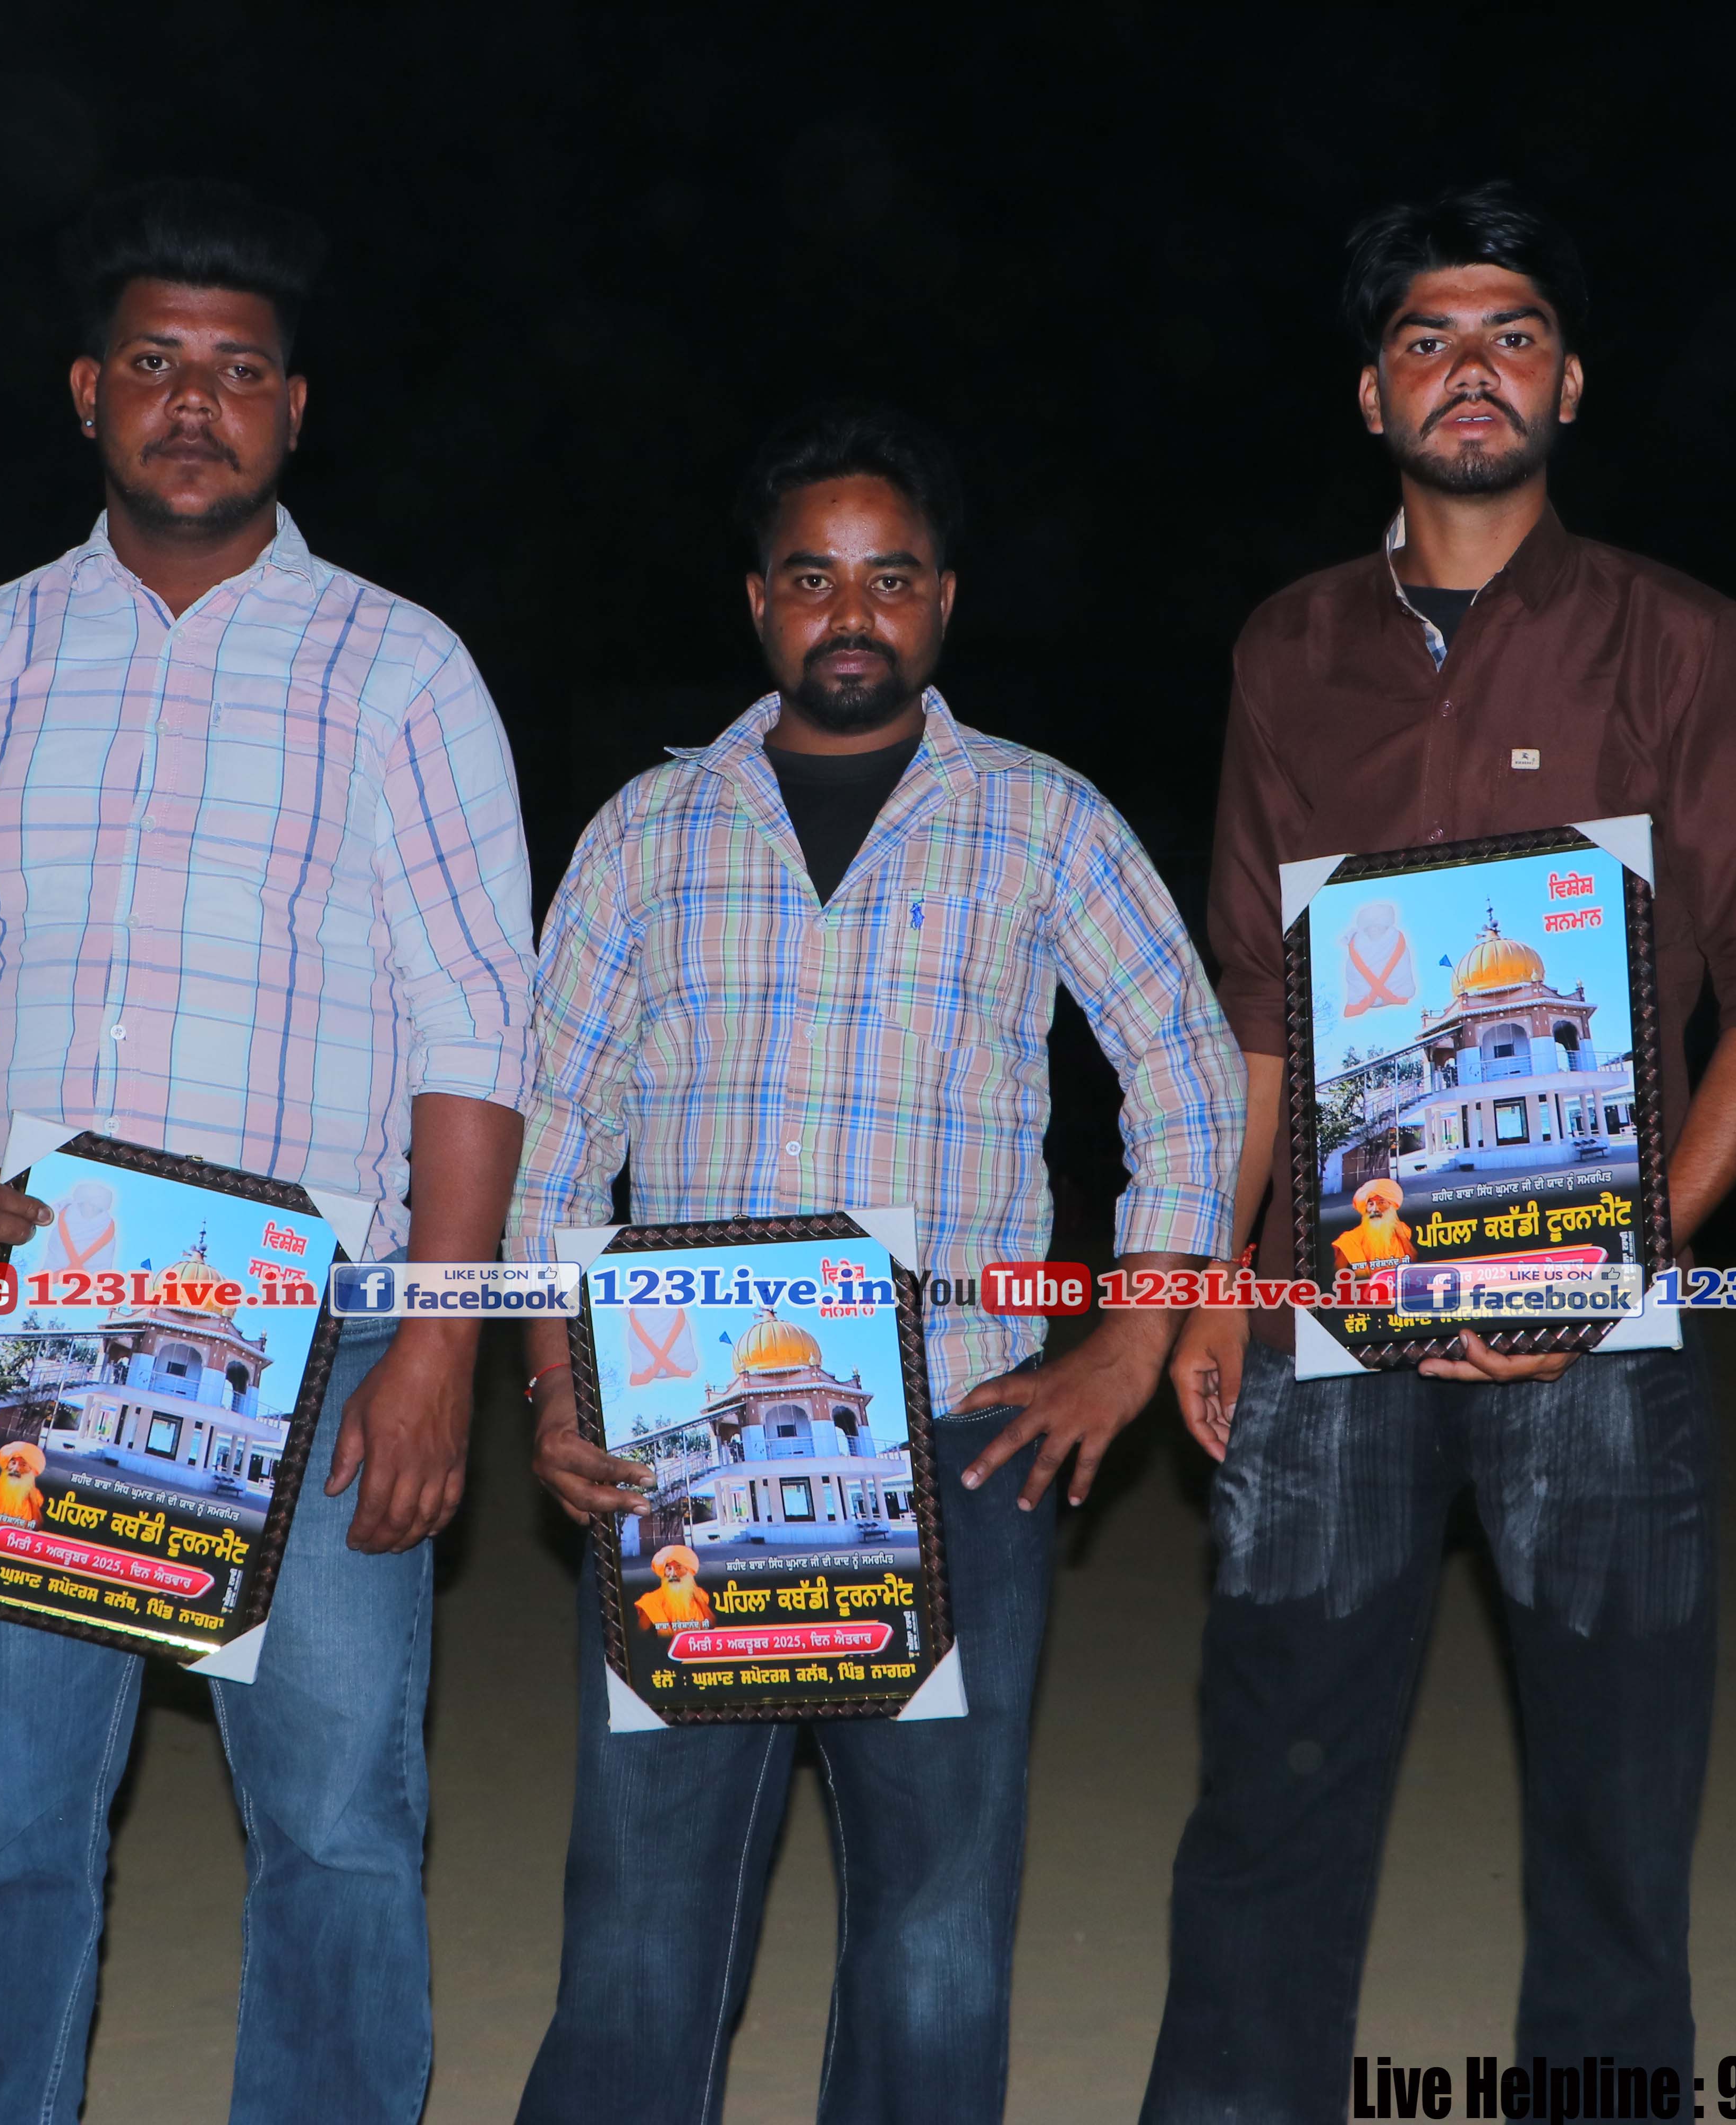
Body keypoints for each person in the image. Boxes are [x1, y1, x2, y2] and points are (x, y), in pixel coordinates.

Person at [0, 179, 533, 2125]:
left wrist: (441, 1345)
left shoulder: (400, 672)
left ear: (295, 409)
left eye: (237, 371)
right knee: (11, 1825)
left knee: (341, 1831)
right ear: (86, 392)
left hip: (327, 1340)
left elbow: (477, 1022)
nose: (194, 403)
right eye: (154, 363)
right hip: (26, 1332)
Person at [1144, 184, 1736, 2120]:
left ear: (1569, 383)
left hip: (1599, 1338)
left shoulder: (1676, 641)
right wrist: (1209, 1273)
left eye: (1511, 333)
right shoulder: (1287, 649)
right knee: (1270, 1796)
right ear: (1370, 393)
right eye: (1427, 339)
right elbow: (1257, 1003)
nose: (1471, 369)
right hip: (1328, 1316)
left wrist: (1612, 1257)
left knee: (1614, 1817)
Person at [510, 405, 1244, 2125]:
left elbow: (1189, 1075)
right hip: (678, 1455)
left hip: (957, 1444)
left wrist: (1130, 1344)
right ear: (757, 601)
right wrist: (551, 1387)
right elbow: (554, 1131)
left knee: (934, 1925)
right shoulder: (648, 831)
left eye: (891, 577)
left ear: (946, 601)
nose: (852, 612)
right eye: (813, 577)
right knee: (642, 1914)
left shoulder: (1042, 820)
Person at [633, 1543, 712, 1633]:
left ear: (687, 1571)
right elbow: (641, 1633)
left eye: (678, 1568)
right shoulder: (652, 1600)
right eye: (669, 1569)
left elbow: (712, 1626)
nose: (673, 1574)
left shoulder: (700, 1594)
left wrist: (701, 1601)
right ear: (664, 1572)